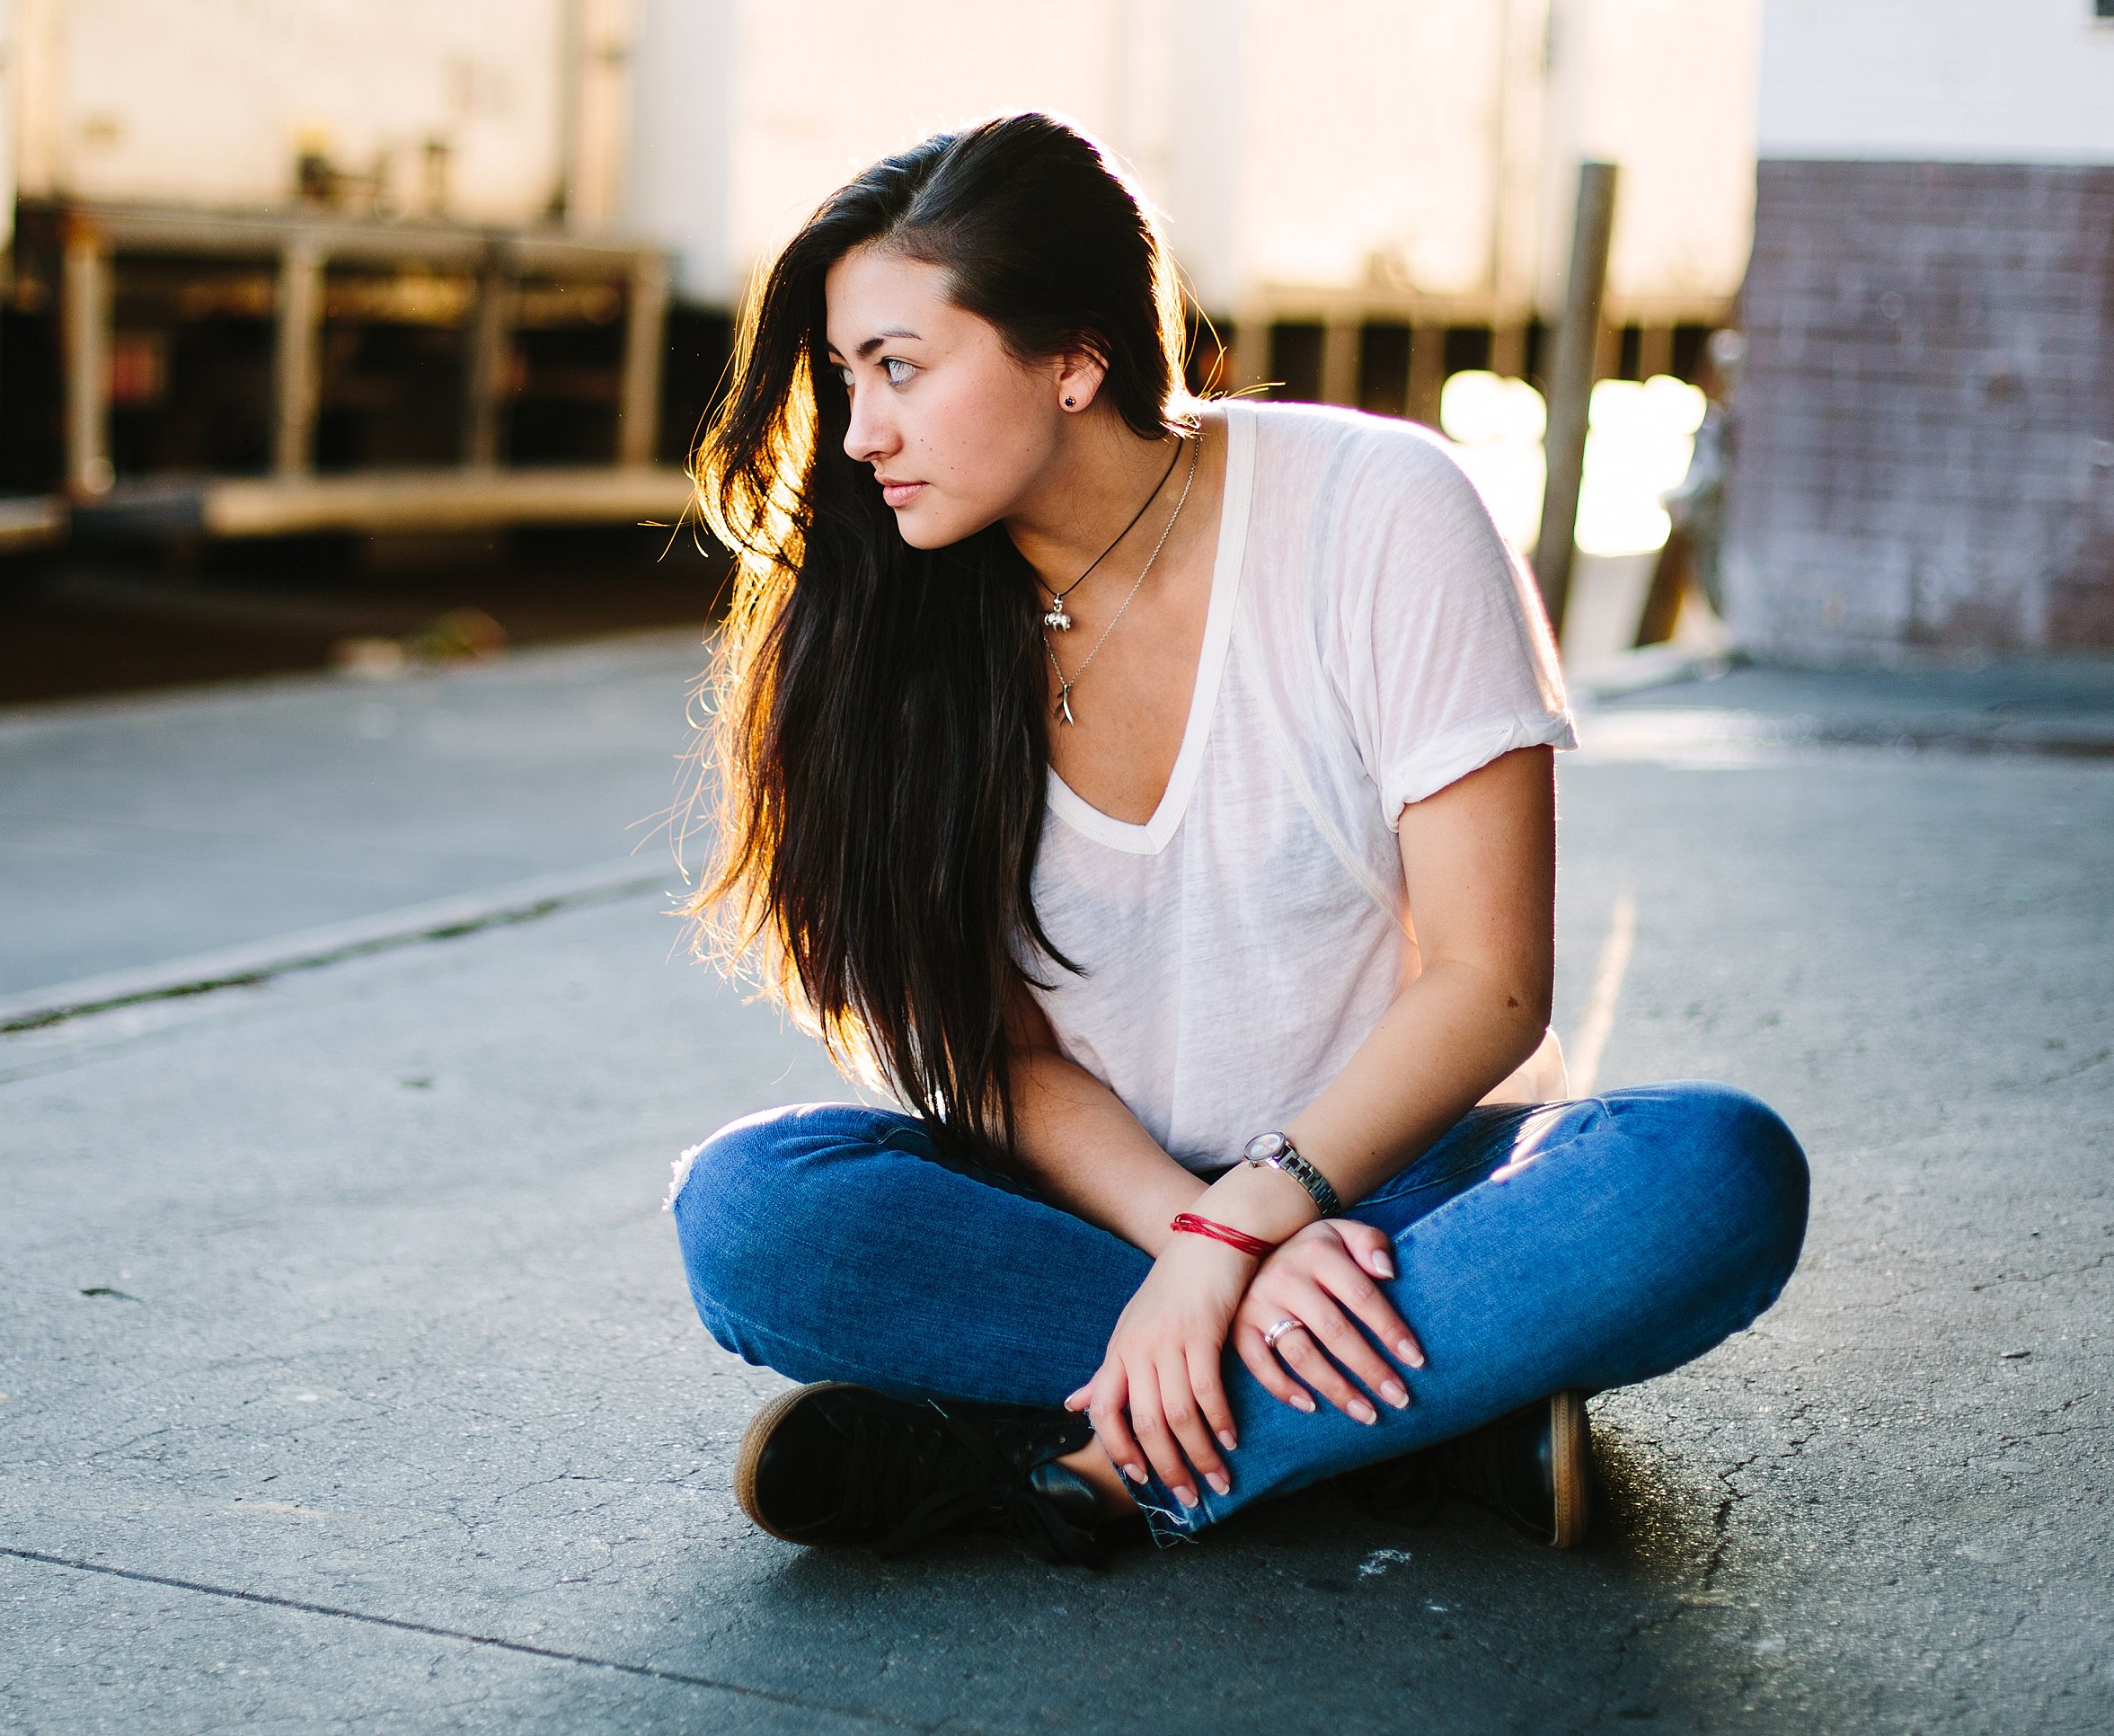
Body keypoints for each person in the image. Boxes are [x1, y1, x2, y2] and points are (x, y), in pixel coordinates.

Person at [668, 113, 1807, 1564]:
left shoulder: (1380, 512)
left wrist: (1254, 1221)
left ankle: (1058, 1454)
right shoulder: (892, 621)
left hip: (1409, 1182)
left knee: (1710, 1176)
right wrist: (1197, 1242)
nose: (857, 431)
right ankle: (1422, 1417)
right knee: (752, 1213)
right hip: (1093, 1204)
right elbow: (993, 1051)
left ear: (1074, 358)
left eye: (898, 368)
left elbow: (1489, 977)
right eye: (845, 377)